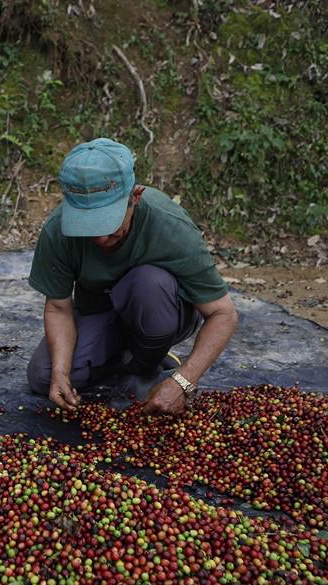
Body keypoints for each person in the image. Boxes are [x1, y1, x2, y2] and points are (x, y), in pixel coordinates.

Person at [26, 138, 238, 415]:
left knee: (147, 283)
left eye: (110, 225)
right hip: (103, 314)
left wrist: (184, 382)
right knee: (42, 376)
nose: (101, 238)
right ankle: (122, 357)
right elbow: (58, 308)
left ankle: (146, 364)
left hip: (162, 312)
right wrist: (61, 372)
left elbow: (224, 314)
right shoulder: (57, 232)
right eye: (88, 227)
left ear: (135, 197)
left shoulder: (169, 226)